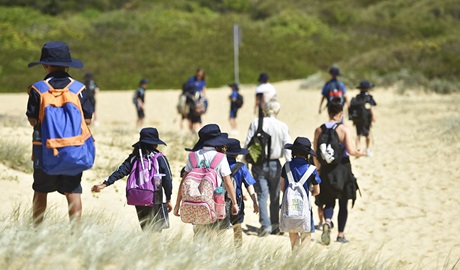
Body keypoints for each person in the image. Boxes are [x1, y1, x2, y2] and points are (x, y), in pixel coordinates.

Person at [26, 41, 94, 225]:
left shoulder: (37, 89)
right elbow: (88, 120)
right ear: (67, 65)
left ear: (45, 66)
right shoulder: (79, 89)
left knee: (40, 189)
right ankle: (75, 232)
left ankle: (36, 230)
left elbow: (33, 120)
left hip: (44, 149)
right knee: (73, 190)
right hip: (74, 148)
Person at [91, 128, 172, 232]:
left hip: (137, 196)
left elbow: (120, 171)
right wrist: (168, 198)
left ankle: (146, 247)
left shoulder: (134, 157)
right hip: (156, 197)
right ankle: (154, 248)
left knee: (146, 229)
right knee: (156, 229)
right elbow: (167, 180)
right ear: (155, 144)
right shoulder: (159, 158)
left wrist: (104, 184)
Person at [313, 99, 366, 244]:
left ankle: (328, 221)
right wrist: (360, 153)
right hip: (343, 169)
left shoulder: (319, 129)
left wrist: (318, 169)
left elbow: (315, 153)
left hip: (326, 170)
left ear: (328, 111)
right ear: (340, 113)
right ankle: (341, 235)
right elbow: (350, 151)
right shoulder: (344, 129)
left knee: (329, 201)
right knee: (344, 202)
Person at [174, 124, 239, 237]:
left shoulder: (193, 156)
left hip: (196, 200)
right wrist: (234, 203)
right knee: (215, 234)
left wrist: (177, 203)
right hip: (215, 201)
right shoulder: (220, 157)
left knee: (198, 234)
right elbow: (228, 183)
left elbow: (183, 181)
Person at [244, 100, 291, 236]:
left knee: (262, 195)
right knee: (275, 195)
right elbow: (287, 148)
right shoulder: (282, 126)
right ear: (278, 111)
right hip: (276, 163)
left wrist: (245, 163)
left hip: (258, 163)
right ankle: (275, 224)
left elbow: (248, 144)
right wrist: (289, 166)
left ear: (264, 110)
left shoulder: (256, 123)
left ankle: (265, 225)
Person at [280, 137, 321, 250]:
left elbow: (282, 188)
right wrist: (309, 193)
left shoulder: (287, 166)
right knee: (306, 234)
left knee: (293, 234)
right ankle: (301, 262)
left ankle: (294, 260)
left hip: (289, 208)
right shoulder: (311, 169)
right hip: (304, 208)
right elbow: (317, 191)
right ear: (307, 154)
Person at [225, 138, 259, 247]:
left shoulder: (220, 165)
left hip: (220, 201)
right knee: (237, 227)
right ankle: (238, 251)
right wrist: (254, 202)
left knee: (219, 228)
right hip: (237, 202)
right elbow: (249, 185)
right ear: (237, 154)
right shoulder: (241, 167)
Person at [353, 80, 377, 157]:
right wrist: (373, 117)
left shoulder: (357, 97)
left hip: (357, 118)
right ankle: (368, 149)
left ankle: (358, 149)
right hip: (366, 118)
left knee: (358, 134)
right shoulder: (369, 98)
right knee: (367, 134)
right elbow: (372, 108)